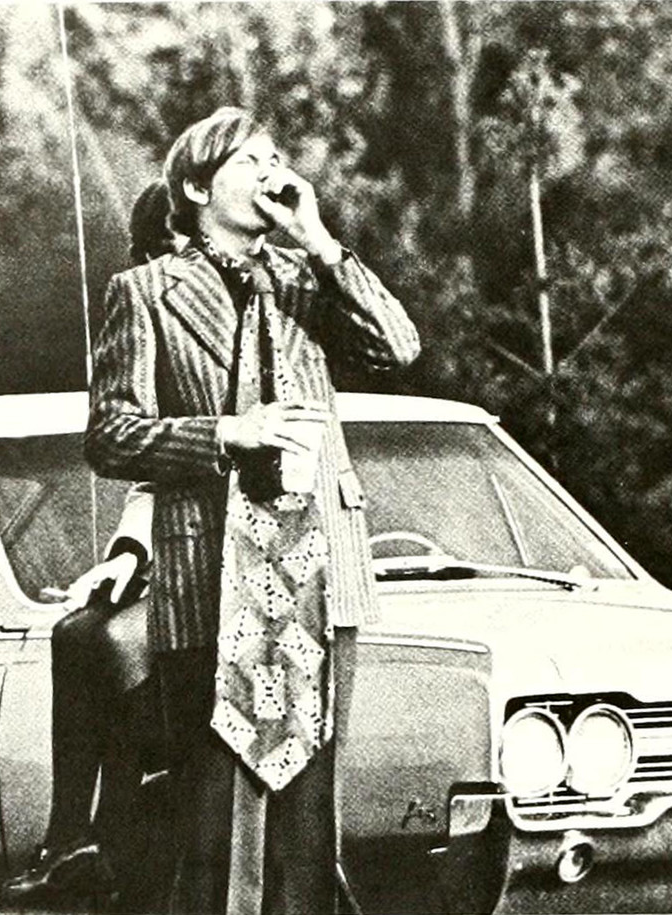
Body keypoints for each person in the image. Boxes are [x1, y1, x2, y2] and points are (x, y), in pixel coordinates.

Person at [85, 107, 420, 914]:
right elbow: (110, 434)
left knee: (308, 823)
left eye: (279, 157)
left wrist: (320, 239)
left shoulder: (309, 279)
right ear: (199, 187)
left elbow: (399, 347)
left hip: (320, 578)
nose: (275, 172)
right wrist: (224, 433)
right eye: (252, 160)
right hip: (210, 579)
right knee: (215, 823)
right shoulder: (146, 292)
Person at [2, 182, 172, 904]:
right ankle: (72, 835)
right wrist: (127, 556)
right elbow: (150, 480)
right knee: (78, 631)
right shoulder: (152, 319)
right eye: (155, 250)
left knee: (110, 646)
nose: (166, 263)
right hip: (177, 550)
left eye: (175, 244)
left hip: (253, 559)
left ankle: (108, 834)